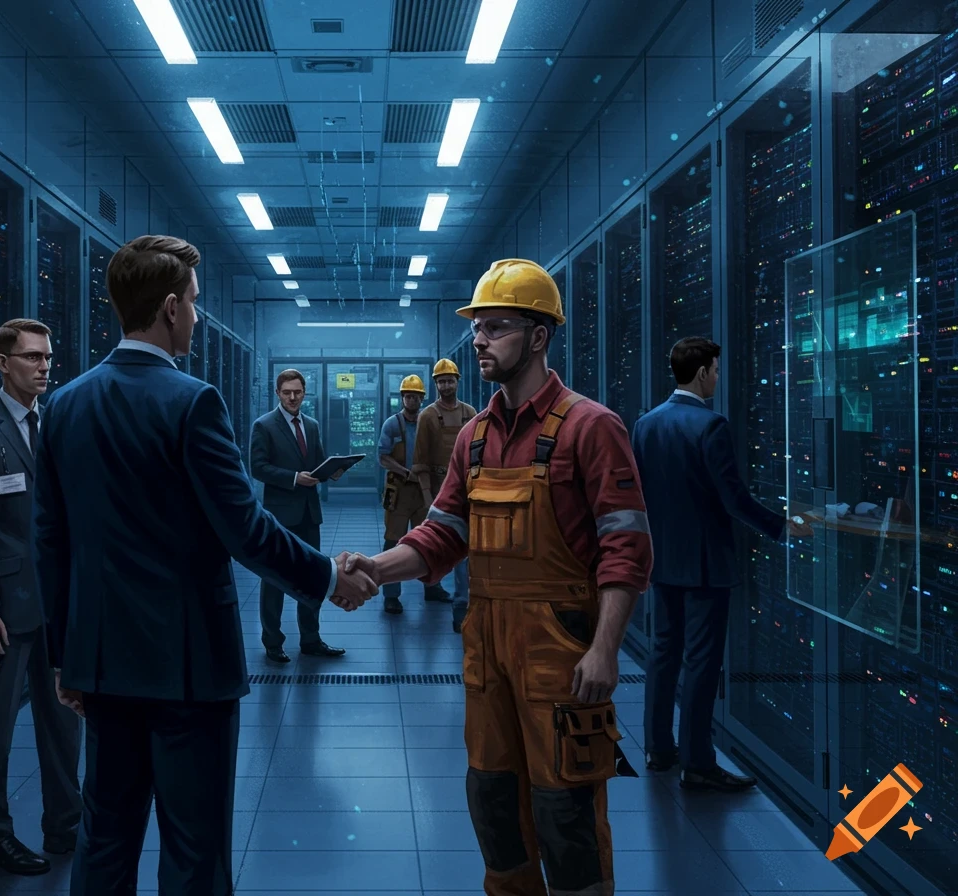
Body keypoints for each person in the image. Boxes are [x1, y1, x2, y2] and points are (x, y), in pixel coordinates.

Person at [32, 234, 377, 895]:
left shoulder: (66, 405)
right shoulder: (192, 402)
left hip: (102, 664)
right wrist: (329, 579)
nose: (197, 315)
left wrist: (61, 658)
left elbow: (50, 541)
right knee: (194, 854)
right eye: (193, 302)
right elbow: (244, 531)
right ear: (168, 308)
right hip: (188, 671)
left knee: (103, 845)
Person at [341, 259, 652, 896]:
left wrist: (605, 649)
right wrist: (375, 567)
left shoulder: (592, 428)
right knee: (492, 799)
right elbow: (442, 535)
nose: (479, 340)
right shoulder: (474, 438)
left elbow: (626, 550)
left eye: (497, 328)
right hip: (486, 649)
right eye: (477, 328)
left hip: (560, 651)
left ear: (539, 336)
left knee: (564, 811)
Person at [631, 336, 811, 791]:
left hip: (662, 559)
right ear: (702, 373)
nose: (717, 377)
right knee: (702, 662)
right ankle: (697, 763)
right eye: (715, 369)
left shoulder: (645, 425)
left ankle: (658, 749)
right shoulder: (711, 426)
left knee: (663, 654)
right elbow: (733, 500)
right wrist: (782, 525)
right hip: (706, 564)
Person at [0, 318, 83, 875]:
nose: (44, 366)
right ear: (3, 363)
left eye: (48, 356)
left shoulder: (55, 425)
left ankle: (65, 827)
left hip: (55, 602)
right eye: (31, 357)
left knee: (63, 721)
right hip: (4, 608)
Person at [248, 370, 346, 662]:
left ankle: (311, 640)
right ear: (277, 393)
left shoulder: (311, 426)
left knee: (312, 577)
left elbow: (316, 463)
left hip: (308, 514)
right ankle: (273, 642)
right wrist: (293, 478)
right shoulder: (263, 426)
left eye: (298, 392)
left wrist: (333, 471)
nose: (293, 397)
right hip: (278, 516)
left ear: (305, 393)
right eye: (287, 392)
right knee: (274, 579)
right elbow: (258, 468)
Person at [412, 358, 478, 631]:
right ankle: (436, 588)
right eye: (441, 381)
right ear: (436, 384)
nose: (446, 385)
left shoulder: (470, 413)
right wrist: (429, 499)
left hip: (467, 486)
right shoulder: (428, 415)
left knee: (467, 550)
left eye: (450, 380)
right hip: (439, 486)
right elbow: (421, 462)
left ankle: (462, 608)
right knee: (440, 544)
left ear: (457, 381)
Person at [377, 374, 450, 613]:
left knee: (429, 541)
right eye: (408, 396)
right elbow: (382, 457)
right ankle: (391, 595)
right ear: (402, 398)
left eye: (416, 397)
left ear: (422, 399)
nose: (412, 401)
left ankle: (432, 587)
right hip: (399, 491)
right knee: (393, 541)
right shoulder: (391, 424)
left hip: (425, 491)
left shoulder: (429, 422)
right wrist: (405, 471)